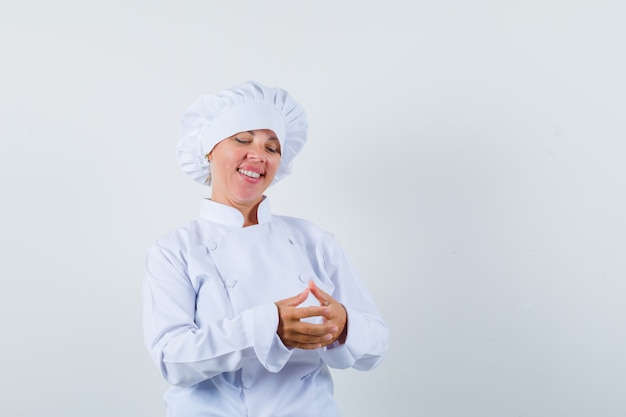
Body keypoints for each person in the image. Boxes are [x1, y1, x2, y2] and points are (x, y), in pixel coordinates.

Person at [143, 81, 389, 417]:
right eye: (242, 139)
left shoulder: (314, 240)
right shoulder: (174, 251)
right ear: (209, 150)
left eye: (272, 148)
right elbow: (173, 359)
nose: (258, 155)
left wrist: (344, 323)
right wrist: (267, 326)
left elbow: (376, 343)